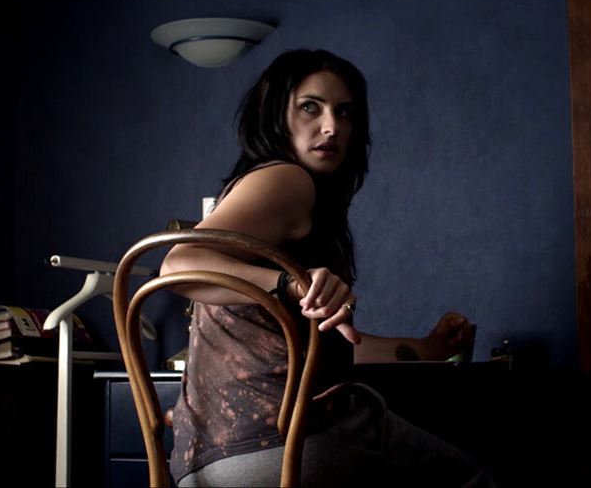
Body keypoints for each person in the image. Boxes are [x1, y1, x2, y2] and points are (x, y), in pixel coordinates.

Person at [161, 49, 493, 487]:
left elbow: (333, 347)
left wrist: (425, 348)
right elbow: (178, 265)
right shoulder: (286, 179)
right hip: (283, 447)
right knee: (473, 479)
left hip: (205, 467)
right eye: (310, 107)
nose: (332, 126)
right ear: (276, 115)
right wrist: (289, 284)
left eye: (345, 112)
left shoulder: (270, 191)